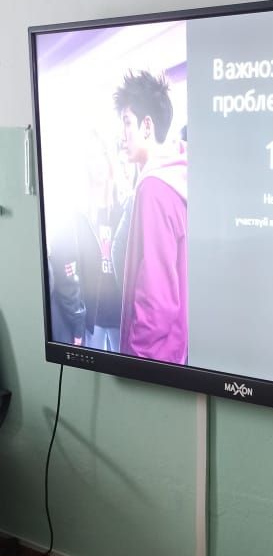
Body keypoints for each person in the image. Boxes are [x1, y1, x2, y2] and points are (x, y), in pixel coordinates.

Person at [113, 70, 188, 363]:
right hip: (175, 352)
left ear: (146, 126)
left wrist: (135, 358)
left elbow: (157, 298)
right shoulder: (179, 172)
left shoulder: (154, 187)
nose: (122, 135)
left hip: (151, 359)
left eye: (127, 122)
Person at [48, 130, 123, 350]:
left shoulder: (125, 207)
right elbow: (68, 271)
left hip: (121, 316)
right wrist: (78, 320)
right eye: (92, 156)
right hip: (92, 319)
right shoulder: (78, 214)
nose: (98, 162)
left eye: (102, 154)